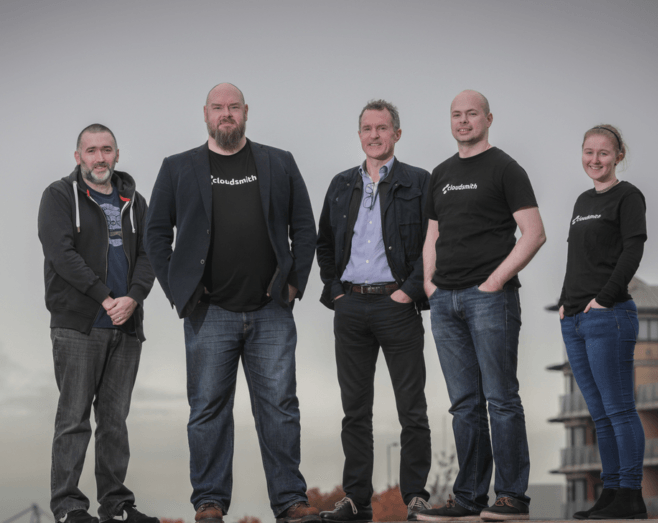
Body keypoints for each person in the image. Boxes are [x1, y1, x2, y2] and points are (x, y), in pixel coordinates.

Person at [144, 83, 318, 523]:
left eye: (234, 107)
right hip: (209, 313)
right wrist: (178, 291)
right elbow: (155, 235)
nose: (226, 114)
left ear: (246, 113)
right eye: (218, 108)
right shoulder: (178, 167)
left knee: (280, 408)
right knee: (207, 410)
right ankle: (209, 503)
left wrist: (293, 285)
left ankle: (290, 502)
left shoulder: (279, 162)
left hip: (271, 311)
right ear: (205, 114)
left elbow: (305, 227)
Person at [418, 90, 545, 522]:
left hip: (490, 300)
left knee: (501, 398)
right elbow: (432, 234)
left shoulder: (506, 168)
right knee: (463, 404)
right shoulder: (441, 173)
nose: (463, 121)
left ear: (488, 118)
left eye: (472, 114)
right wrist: (430, 285)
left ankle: (511, 498)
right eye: (456, 115)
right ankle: (469, 498)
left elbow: (534, 232)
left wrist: (494, 281)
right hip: (445, 302)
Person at [316, 100, 432, 523]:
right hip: (350, 306)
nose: (374, 135)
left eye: (382, 128)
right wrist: (336, 293)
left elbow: (430, 245)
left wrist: (409, 292)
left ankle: (416, 497)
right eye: (367, 128)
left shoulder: (419, 182)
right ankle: (356, 500)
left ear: (396, 134)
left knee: (411, 408)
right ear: (360, 134)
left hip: (396, 305)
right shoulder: (340, 184)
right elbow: (324, 243)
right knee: (355, 410)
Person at [38, 124, 156, 523]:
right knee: (73, 418)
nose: (99, 158)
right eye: (91, 150)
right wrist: (105, 297)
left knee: (114, 422)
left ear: (117, 154)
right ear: (78, 157)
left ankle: (117, 505)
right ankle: (69, 507)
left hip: (125, 325)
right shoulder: (58, 196)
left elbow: (151, 254)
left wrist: (133, 298)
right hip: (79, 324)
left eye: (106, 150)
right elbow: (61, 253)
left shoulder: (135, 200)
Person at [558, 125, 647, 520]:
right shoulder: (581, 200)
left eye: (604, 153)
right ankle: (611, 493)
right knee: (599, 413)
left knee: (620, 409)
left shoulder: (628, 196)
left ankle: (631, 494)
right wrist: (565, 303)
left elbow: (632, 250)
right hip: (575, 319)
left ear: (619, 155)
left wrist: (603, 300)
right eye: (589, 152)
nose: (595, 160)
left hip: (608, 316)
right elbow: (577, 258)